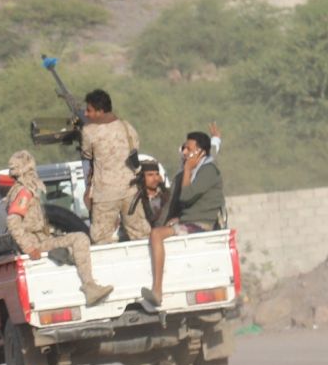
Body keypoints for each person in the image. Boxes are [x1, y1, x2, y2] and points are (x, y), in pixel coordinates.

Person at [3, 150, 114, 306]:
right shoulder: (24, 191)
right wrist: (28, 247)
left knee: (68, 243)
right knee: (80, 238)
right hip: (36, 242)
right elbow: (13, 220)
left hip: (42, 238)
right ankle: (89, 287)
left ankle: (64, 253)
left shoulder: (18, 190)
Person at [141, 132, 224, 309]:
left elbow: (186, 196)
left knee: (156, 235)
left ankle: (157, 290)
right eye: (184, 148)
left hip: (201, 224)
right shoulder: (198, 168)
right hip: (190, 220)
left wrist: (187, 169)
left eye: (189, 149)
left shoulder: (208, 170)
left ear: (200, 153)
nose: (184, 152)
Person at [79, 89, 142, 244]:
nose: (86, 114)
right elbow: (135, 148)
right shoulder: (127, 127)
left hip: (105, 194)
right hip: (131, 191)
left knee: (101, 239)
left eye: (89, 110)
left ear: (100, 111)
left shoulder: (89, 131)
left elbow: (87, 156)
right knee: (139, 234)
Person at [122, 159, 169, 240]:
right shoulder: (134, 199)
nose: (155, 178)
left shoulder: (166, 195)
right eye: (150, 175)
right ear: (142, 177)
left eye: (157, 174)